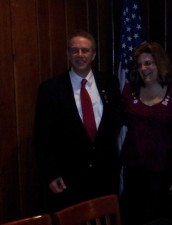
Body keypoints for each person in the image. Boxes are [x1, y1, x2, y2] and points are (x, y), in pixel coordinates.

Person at [34, 30, 121, 213]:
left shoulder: (110, 83)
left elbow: (116, 124)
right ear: (68, 54)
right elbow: (42, 137)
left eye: (85, 50)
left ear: (93, 54)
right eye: (75, 50)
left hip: (105, 177)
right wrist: (51, 174)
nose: (80, 55)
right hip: (68, 179)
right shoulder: (50, 89)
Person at [120, 42, 172, 225]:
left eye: (148, 63)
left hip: (165, 173)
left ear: (159, 63)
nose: (143, 69)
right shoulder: (129, 90)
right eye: (140, 65)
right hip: (134, 172)